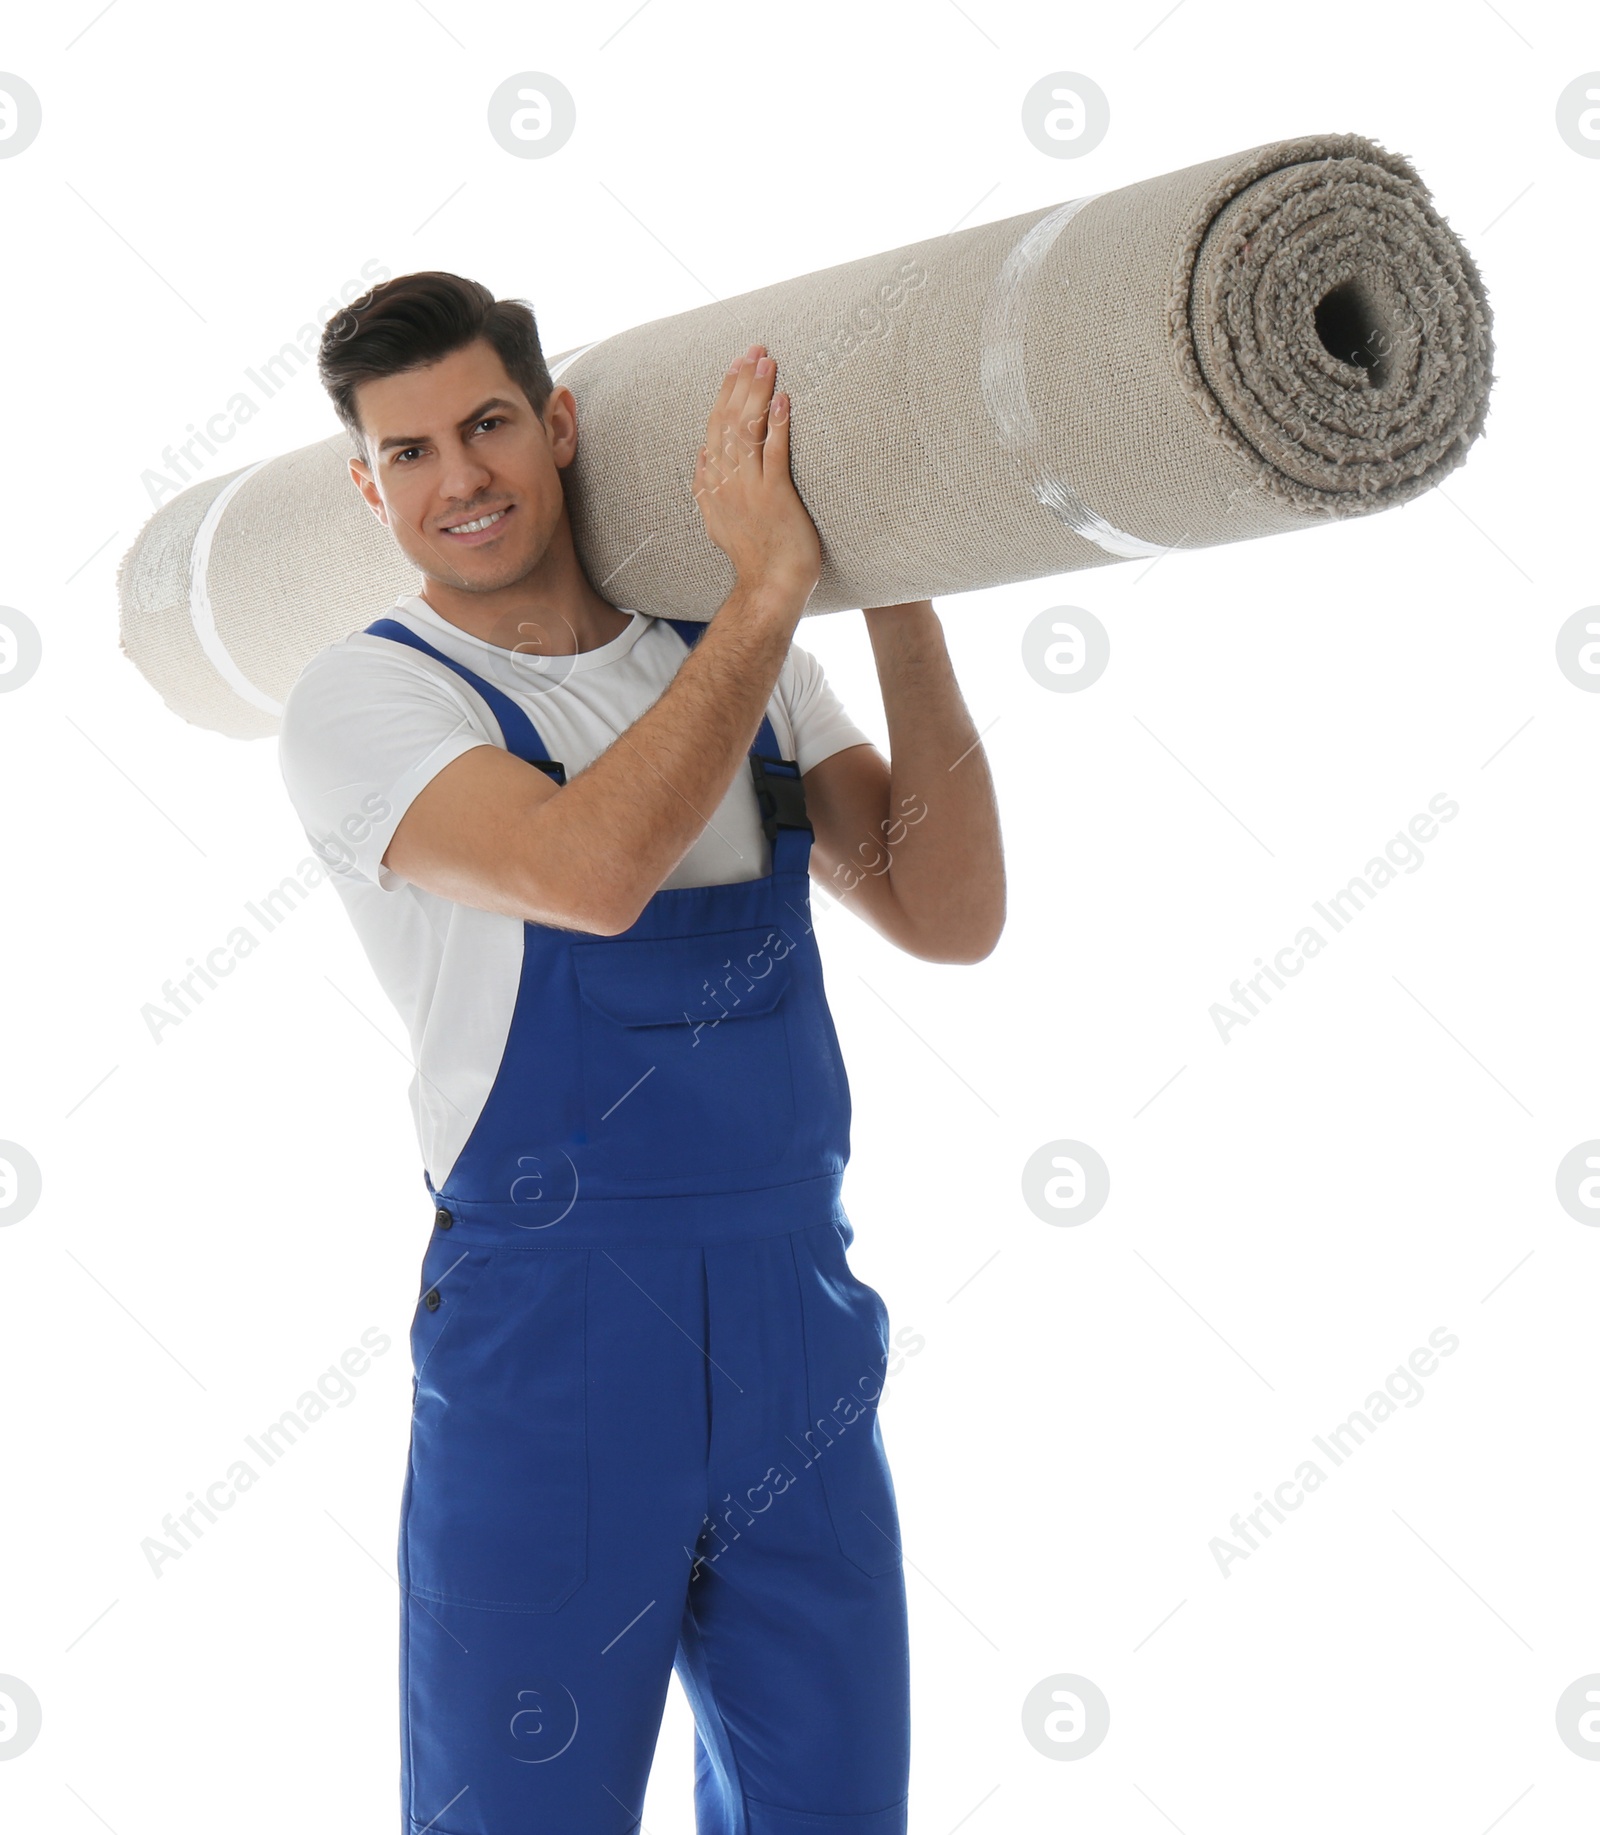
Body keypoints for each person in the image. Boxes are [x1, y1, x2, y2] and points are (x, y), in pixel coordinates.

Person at [277, 269, 1005, 1835]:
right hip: (553, 1350)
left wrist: (899, 579)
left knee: (834, 1810)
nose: (458, 480)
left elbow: (949, 909)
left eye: (485, 426)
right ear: (368, 484)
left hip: (793, 1330)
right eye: (408, 453)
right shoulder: (371, 700)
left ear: (557, 425)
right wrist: (763, 599)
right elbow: (582, 876)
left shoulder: (737, 660)